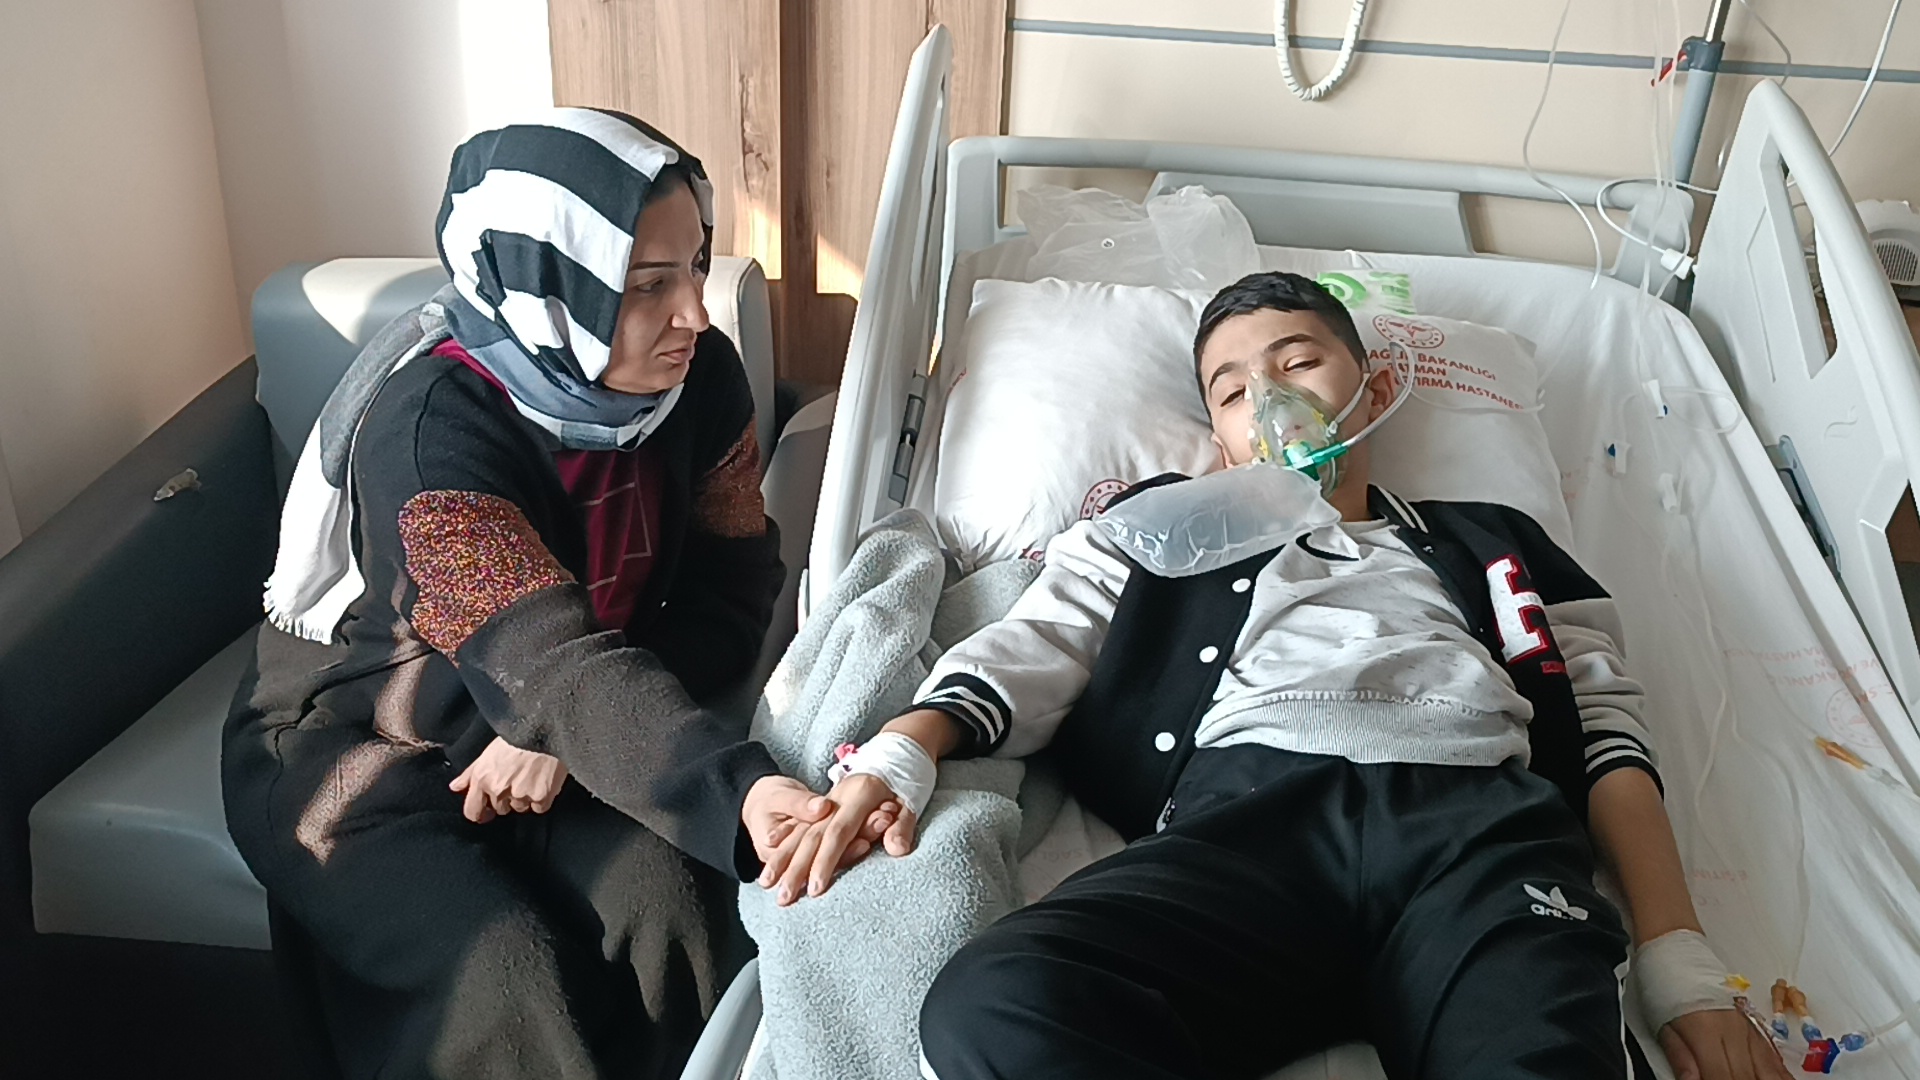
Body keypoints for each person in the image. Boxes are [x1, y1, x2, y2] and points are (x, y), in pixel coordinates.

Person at [762, 273, 1792, 1080]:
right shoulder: (1163, 529)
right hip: (1250, 825)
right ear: (1219, 438)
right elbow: (1038, 644)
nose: (1271, 399)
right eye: (1233, 390)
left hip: (1478, 834)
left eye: (1298, 361)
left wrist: (1678, 958)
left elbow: (1606, 730)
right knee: (995, 1005)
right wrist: (901, 752)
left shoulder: (1494, 541)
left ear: (1374, 390)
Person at [224, 110, 830, 1080]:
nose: (694, 313)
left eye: (695, 266)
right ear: (552, 286)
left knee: (672, 906)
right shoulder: (430, 433)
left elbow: (732, 585)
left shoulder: (700, 382)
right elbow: (540, 657)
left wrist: (557, 731)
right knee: (501, 976)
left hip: (562, 709)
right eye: (647, 285)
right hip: (367, 740)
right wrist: (743, 788)